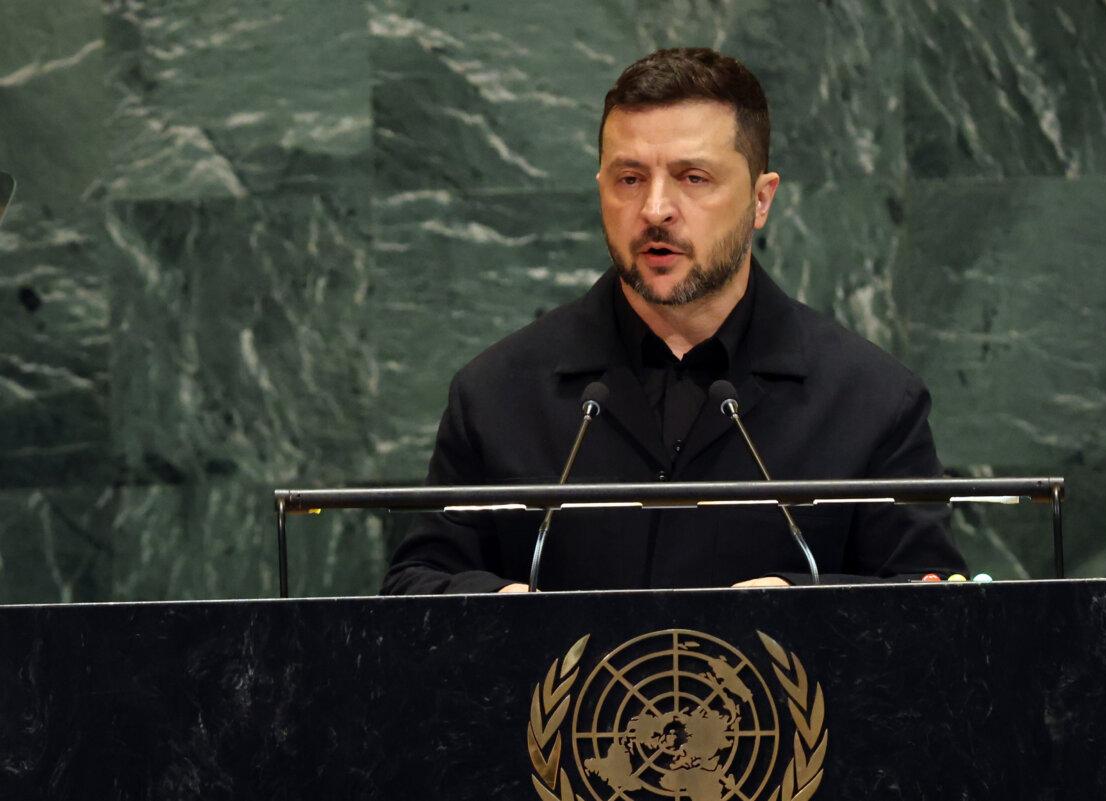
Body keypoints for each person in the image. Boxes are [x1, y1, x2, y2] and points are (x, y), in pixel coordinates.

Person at [380, 48, 966, 595]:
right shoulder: (497, 394)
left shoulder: (872, 400)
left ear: (762, 199)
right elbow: (417, 581)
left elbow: (931, 602)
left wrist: (814, 611)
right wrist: (495, 606)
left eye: (693, 178)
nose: (656, 209)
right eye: (629, 179)